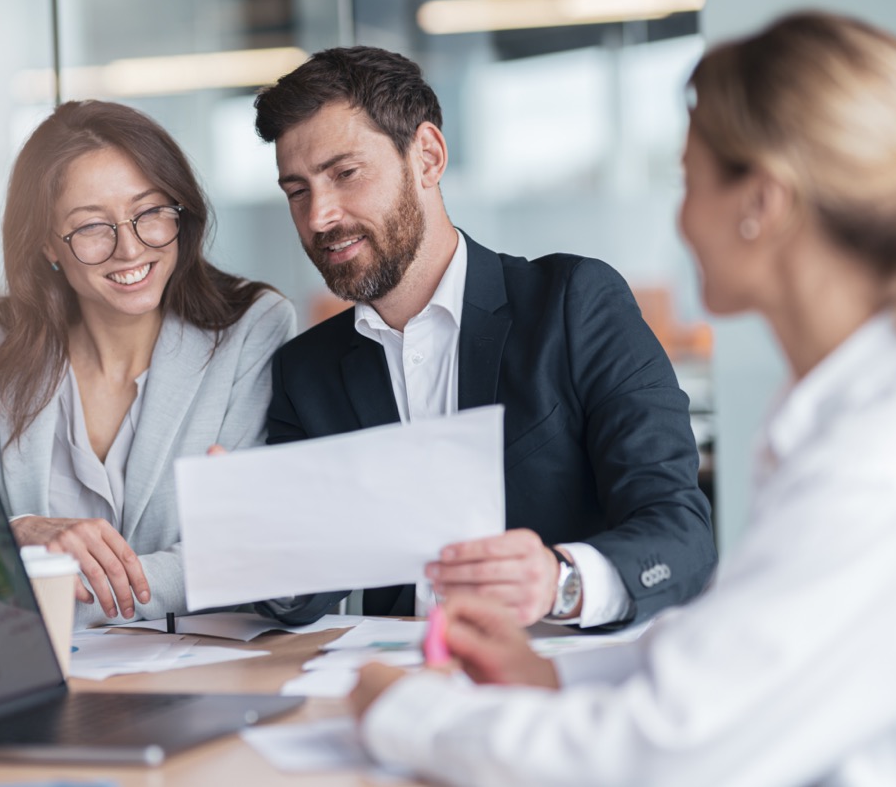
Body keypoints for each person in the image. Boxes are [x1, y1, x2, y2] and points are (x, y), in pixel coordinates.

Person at [352, 11, 896, 786]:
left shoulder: (886, 462)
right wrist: (553, 677)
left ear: (763, 203)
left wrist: (403, 712)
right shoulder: (856, 414)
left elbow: (665, 752)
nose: (679, 219)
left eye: (690, 179)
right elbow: (730, 649)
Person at [253, 46, 716, 629]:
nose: (319, 215)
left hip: (561, 679)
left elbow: (681, 535)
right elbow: (302, 596)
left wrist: (560, 581)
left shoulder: (573, 304)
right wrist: (257, 535)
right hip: (396, 687)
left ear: (427, 157)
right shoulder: (307, 371)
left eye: (345, 174)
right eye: (297, 191)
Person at [0, 101, 296, 627]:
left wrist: (40, 582)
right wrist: (18, 531)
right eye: (93, 226)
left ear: (180, 212)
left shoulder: (251, 328)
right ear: (49, 243)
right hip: (35, 672)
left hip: (199, 673)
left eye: (150, 212)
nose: (130, 248)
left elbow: (241, 549)